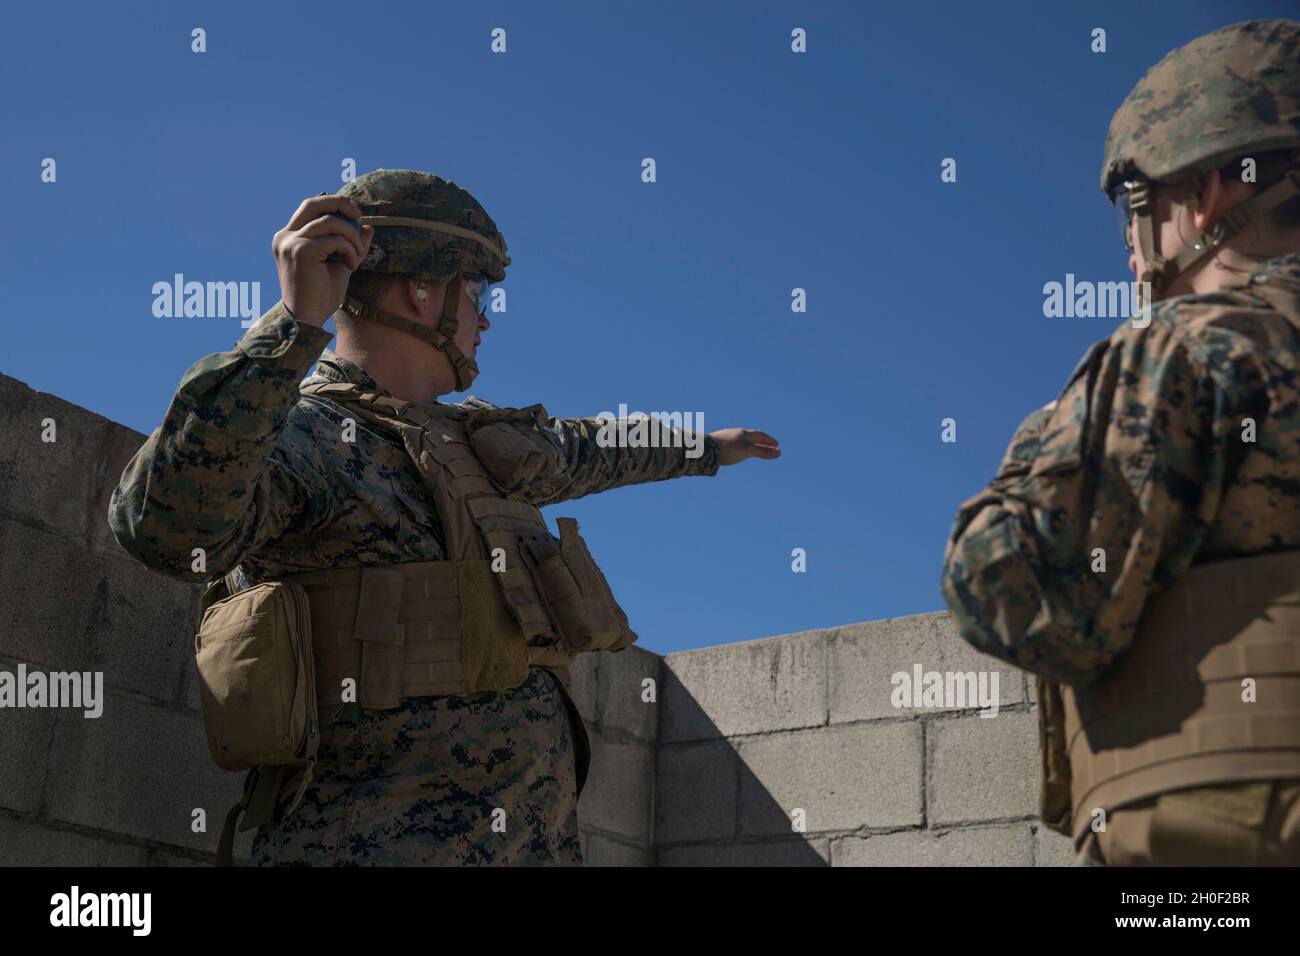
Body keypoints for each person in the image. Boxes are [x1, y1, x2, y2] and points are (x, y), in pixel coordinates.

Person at [108, 168, 780, 865]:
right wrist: (294, 326)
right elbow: (164, 530)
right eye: (475, 293)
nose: (484, 318)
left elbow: (595, 448)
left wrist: (705, 447)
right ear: (422, 289)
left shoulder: (484, 448)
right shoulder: (309, 435)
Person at [940, 19, 1300, 865]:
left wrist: (1036, 450)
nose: (1130, 248)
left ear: (1206, 193)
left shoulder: (1186, 349)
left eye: (1136, 207)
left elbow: (1021, 600)